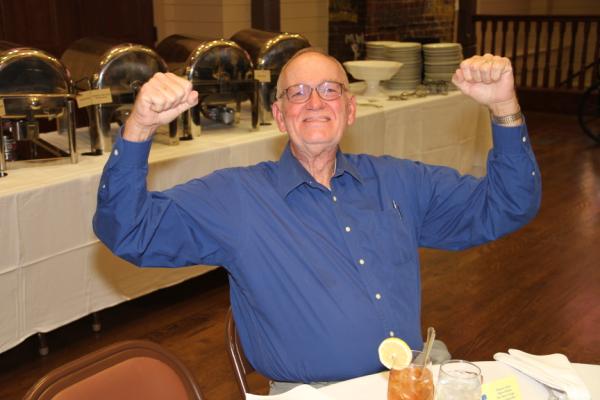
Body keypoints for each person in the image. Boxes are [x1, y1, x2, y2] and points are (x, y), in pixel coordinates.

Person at [93, 49, 541, 391]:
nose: (313, 102)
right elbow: (130, 231)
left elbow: (508, 204)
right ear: (279, 116)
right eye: (297, 92)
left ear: (350, 109)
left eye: (329, 90)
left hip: (409, 381)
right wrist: (140, 127)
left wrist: (504, 107)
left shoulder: (399, 182)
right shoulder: (237, 198)